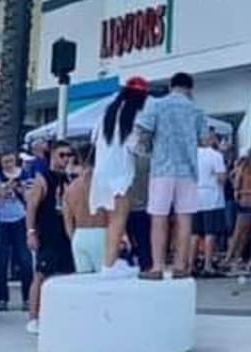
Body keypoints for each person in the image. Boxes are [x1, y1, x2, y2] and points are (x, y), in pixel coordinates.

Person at [135, 72, 208, 280]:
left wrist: (147, 148)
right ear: (190, 88)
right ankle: (180, 266)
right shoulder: (196, 109)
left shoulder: (156, 105)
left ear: (171, 85)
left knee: (159, 217)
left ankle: (157, 266)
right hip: (188, 171)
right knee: (185, 218)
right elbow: (204, 140)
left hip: (162, 168)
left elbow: (144, 131)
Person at [90, 77, 149, 273]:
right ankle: (109, 266)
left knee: (110, 222)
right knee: (119, 221)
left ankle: (109, 262)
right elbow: (137, 148)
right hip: (121, 176)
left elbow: (93, 139)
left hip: (102, 174)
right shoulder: (132, 117)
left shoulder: (106, 114)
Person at [26, 141, 77, 335]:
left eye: (69, 155)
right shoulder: (43, 179)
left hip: (66, 233)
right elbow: (31, 206)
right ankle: (33, 316)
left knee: (66, 273)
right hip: (47, 233)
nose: (66, 159)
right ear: (53, 155)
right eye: (62, 155)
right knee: (40, 274)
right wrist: (30, 232)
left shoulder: (71, 179)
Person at [0, 150, 34, 311]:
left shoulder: (24, 174)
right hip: (1, 221)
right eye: (5, 162)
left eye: (11, 161)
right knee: (1, 261)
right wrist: (4, 189)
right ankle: (1, 298)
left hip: (20, 219)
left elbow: (30, 197)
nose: (9, 165)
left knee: (25, 259)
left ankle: (28, 297)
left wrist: (21, 190)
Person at [64, 143, 109, 274]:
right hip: (101, 231)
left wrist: (74, 239)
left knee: (84, 280)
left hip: (80, 234)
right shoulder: (104, 182)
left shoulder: (71, 187)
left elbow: (67, 221)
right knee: (103, 280)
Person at [225, 137, 251, 269]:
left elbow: (233, 176)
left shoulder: (245, 164)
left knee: (239, 232)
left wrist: (237, 190)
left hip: (245, 199)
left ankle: (231, 258)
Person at [194, 135, 228, 277]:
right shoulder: (216, 156)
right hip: (212, 197)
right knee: (210, 232)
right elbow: (221, 178)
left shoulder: (191, 154)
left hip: (194, 196)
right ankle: (208, 265)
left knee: (194, 233)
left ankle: (190, 263)